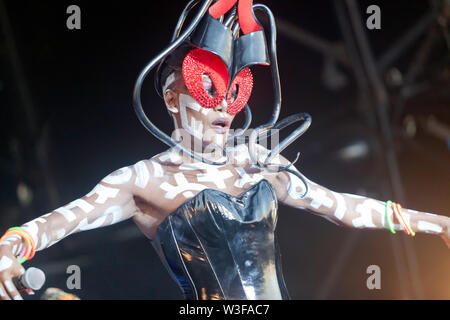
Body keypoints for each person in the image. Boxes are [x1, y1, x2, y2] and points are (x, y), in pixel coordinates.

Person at [0, 0, 449, 300]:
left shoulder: (259, 161)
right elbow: (57, 223)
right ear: (173, 98)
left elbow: (342, 207)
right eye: (207, 89)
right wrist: (10, 248)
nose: (224, 108)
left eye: (234, 92)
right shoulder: (142, 181)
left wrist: (435, 223)